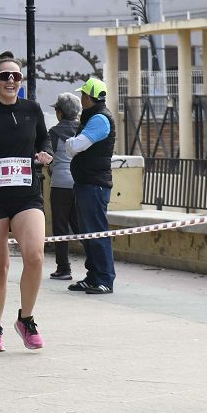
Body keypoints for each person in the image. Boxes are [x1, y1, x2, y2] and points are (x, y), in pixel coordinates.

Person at [0, 51, 53, 352]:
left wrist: (45, 154)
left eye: (16, 76)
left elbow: (44, 139)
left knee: (35, 257)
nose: (11, 81)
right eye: (5, 76)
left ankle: (26, 319)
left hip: (27, 195)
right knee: (0, 268)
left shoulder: (33, 110)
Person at [65, 77, 117, 295]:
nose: (81, 98)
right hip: (87, 184)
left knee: (97, 233)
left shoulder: (99, 120)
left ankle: (104, 279)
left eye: (83, 95)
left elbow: (76, 146)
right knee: (88, 233)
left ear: (89, 97)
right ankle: (93, 276)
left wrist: (70, 143)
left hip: (94, 185)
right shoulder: (92, 118)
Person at [47, 93, 82, 281]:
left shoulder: (53, 133)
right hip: (79, 184)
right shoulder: (84, 130)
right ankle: (94, 263)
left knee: (61, 227)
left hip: (60, 183)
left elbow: (48, 157)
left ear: (60, 113)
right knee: (79, 225)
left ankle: (64, 268)